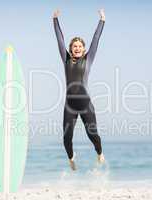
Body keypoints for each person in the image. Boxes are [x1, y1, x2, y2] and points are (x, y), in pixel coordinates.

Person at [53, 9, 105, 170]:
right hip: (70, 105)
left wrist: (102, 21)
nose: (77, 48)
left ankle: (99, 152)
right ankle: (71, 158)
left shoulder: (88, 59)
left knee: (93, 134)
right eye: (74, 46)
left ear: (83, 49)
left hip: (85, 104)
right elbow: (59, 40)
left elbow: (96, 39)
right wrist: (55, 20)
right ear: (70, 48)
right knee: (66, 138)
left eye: (80, 46)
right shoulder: (66, 59)